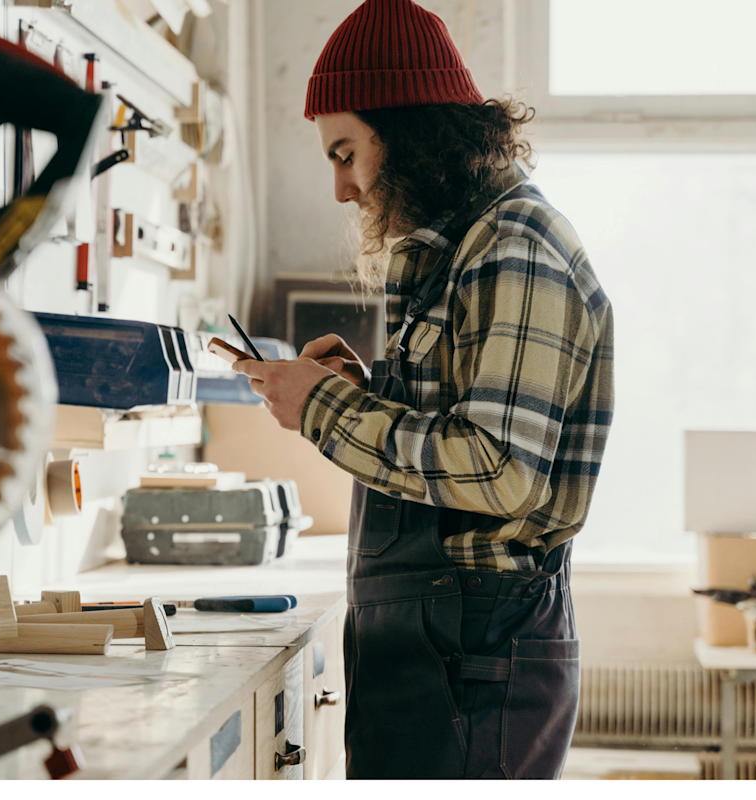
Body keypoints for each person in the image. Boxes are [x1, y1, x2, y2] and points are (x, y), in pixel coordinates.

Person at [232, 0, 614, 780]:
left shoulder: (515, 247)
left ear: (403, 134)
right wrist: (363, 392)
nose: (342, 189)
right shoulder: (463, 247)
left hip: (474, 653)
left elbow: (498, 469)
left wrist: (323, 410)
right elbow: (463, 421)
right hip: (443, 645)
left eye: (345, 153)